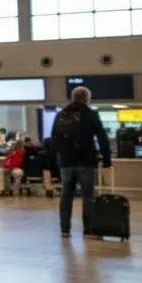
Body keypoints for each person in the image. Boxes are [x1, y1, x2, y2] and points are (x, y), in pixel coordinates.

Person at [51, 86, 112, 238]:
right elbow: (102, 138)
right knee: (87, 195)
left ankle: (65, 229)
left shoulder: (61, 115)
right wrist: (106, 159)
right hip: (86, 161)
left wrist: (59, 159)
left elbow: (53, 139)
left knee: (66, 195)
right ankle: (89, 229)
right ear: (87, 98)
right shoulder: (91, 115)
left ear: (73, 98)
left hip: (66, 162)